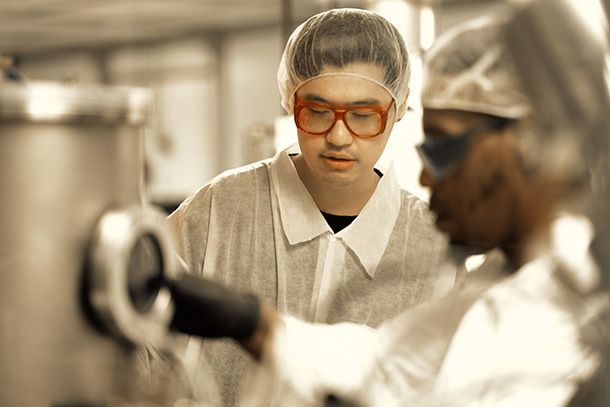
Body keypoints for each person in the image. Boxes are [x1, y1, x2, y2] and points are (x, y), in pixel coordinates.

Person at [167, 13, 609, 407]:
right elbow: (383, 365)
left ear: (534, 144)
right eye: (318, 110)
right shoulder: (496, 283)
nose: (425, 178)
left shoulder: (574, 316)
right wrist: (251, 321)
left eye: (443, 147)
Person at [165, 8, 462, 406]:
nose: (339, 136)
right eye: (318, 112)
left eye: (363, 115)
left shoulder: (433, 246)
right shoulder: (220, 210)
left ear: (399, 107)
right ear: (291, 100)